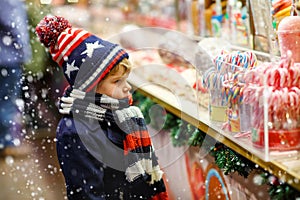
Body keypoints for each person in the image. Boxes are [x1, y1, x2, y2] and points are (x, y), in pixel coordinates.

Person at [35, 16, 168, 200]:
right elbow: (87, 194)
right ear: (90, 86)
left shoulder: (117, 115)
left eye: (125, 79)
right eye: (117, 81)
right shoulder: (75, 132)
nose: (127, 87)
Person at [0, 0, 32, 153]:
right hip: (8, 56)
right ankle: (7, 143)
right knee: (7, 101)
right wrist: (22, 48)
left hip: (6, 55)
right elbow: (11, 21)